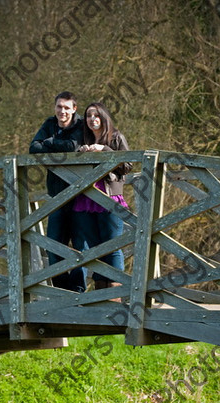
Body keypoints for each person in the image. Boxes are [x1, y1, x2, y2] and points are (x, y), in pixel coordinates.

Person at [29, 91, 86, 293]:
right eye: (59, 107)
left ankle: (78, 292)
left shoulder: (81, 125)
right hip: (56, 196)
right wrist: (51, 142)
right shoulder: (49, 124)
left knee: (81, 247)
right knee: (53, 245)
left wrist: (50, 143)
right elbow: (33, 148)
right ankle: (62, 292)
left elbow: (73, 146)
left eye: (66, 108)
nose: (62, 111)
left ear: (74, 109)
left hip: (82, 195)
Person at [72, 102, 132, 291]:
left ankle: (114, 294)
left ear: (104, 117)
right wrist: (80, 154)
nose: (92, 119)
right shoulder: (82, 140)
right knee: (95, 247)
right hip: (86, 200)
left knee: (112, 245)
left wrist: (104, 150)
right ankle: (100, 293)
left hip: (110, 198)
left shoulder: (116, 137)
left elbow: (128, 165)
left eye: (96, 115)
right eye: (89, 116)